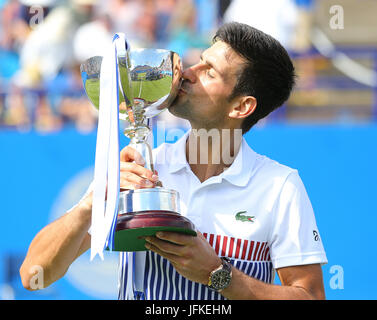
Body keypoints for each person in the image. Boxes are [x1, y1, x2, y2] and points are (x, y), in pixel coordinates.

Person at [20, 22, 327, 300]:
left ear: (241, 106)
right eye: (199, 60)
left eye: (209, 71)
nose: (188, 73)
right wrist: (95, 199)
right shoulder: (141, 168)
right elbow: (34, 275)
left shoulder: (280, 186)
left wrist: (219, 274)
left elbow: (310, 297)